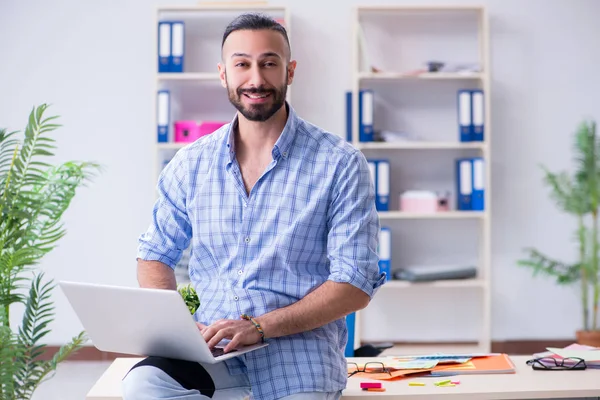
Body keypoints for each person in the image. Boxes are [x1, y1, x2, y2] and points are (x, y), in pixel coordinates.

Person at [122, 12, 385, 400]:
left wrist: (260, 326)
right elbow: (154, 256)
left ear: (289, 71)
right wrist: (179, 328)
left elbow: (355, 284)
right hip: (212, 352)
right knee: (143, 386)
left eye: (269, 63)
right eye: (242, 64)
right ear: (223, 73)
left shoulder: (340, 164)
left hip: (300, 359)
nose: (256, 80)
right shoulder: (190, 163)